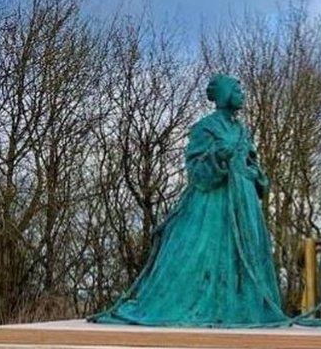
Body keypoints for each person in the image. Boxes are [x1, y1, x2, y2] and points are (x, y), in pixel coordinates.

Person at [91, 74, 288, 327]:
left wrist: (256, 176)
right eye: (236, 88)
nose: (241, 93)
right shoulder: (205, 128)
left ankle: (241, 308)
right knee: (202, 253)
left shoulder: (242, 130)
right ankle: (210, 306)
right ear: (223, 94)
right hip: (214, 204)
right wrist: (217, 156)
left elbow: (251, 164)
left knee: (246, 258)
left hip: (244, 202)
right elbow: (196, 171)